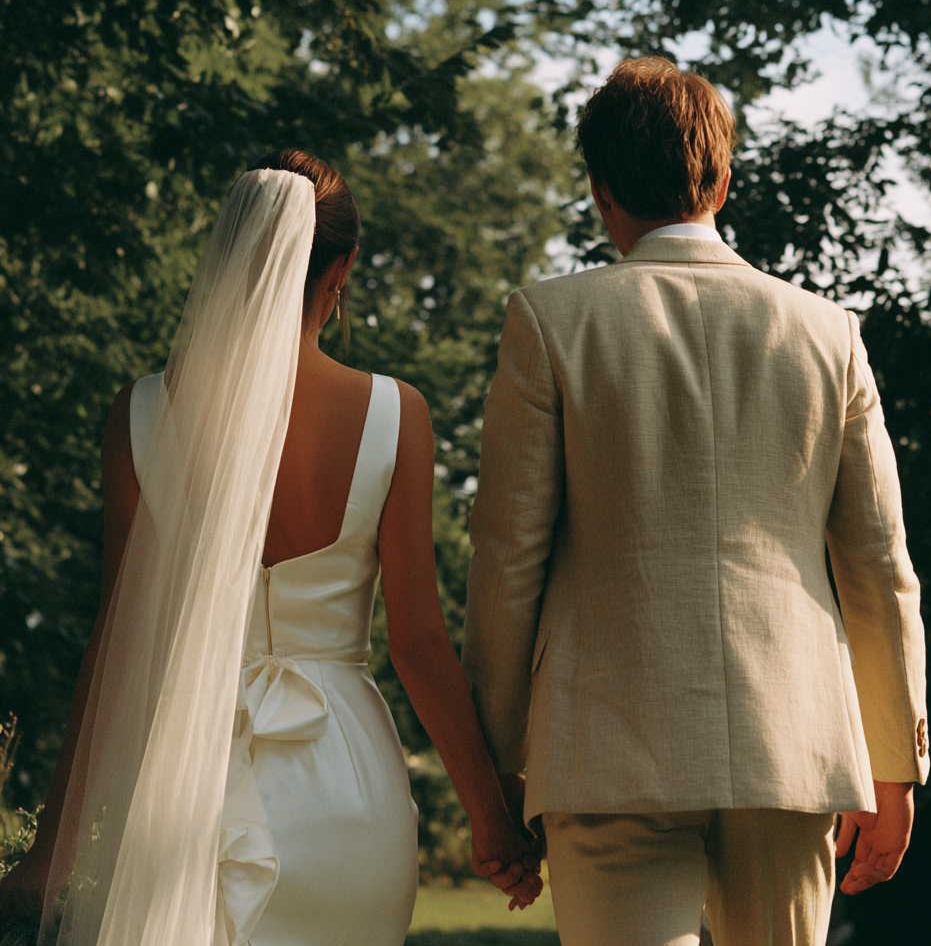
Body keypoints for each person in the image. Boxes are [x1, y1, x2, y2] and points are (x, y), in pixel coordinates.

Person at [0, 151, 540, 945]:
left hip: (188, 783)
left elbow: (117, 641)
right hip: (349, 789)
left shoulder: (140, 414)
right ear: (343, 266)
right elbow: (420, 645)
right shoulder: (396, 413)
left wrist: (51, 851)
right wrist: (491, 819)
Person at [461, 57, 929, 946]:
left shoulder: (551, 321)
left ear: (601, 192)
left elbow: (507, 562)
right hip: (788, 739)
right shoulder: (828, 335)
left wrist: (504, 766)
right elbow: (878, 566)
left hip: (604, 743)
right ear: (722, 176)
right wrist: (894, 767)